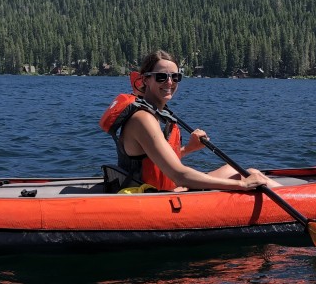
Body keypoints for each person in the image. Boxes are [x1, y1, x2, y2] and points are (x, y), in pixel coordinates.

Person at [99, 50, 279, 192]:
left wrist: (188, 149)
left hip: (166, 189)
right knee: (248, 178)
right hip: (153, 198)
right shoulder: (143, 119)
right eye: (161, 77)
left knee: (249, 172)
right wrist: (243, 186)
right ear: (145, 79)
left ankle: (299, 197)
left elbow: (155, 161)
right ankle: (300, 202)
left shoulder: (153, 113)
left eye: (175, 77)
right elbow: (179, 175)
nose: (169, 82)